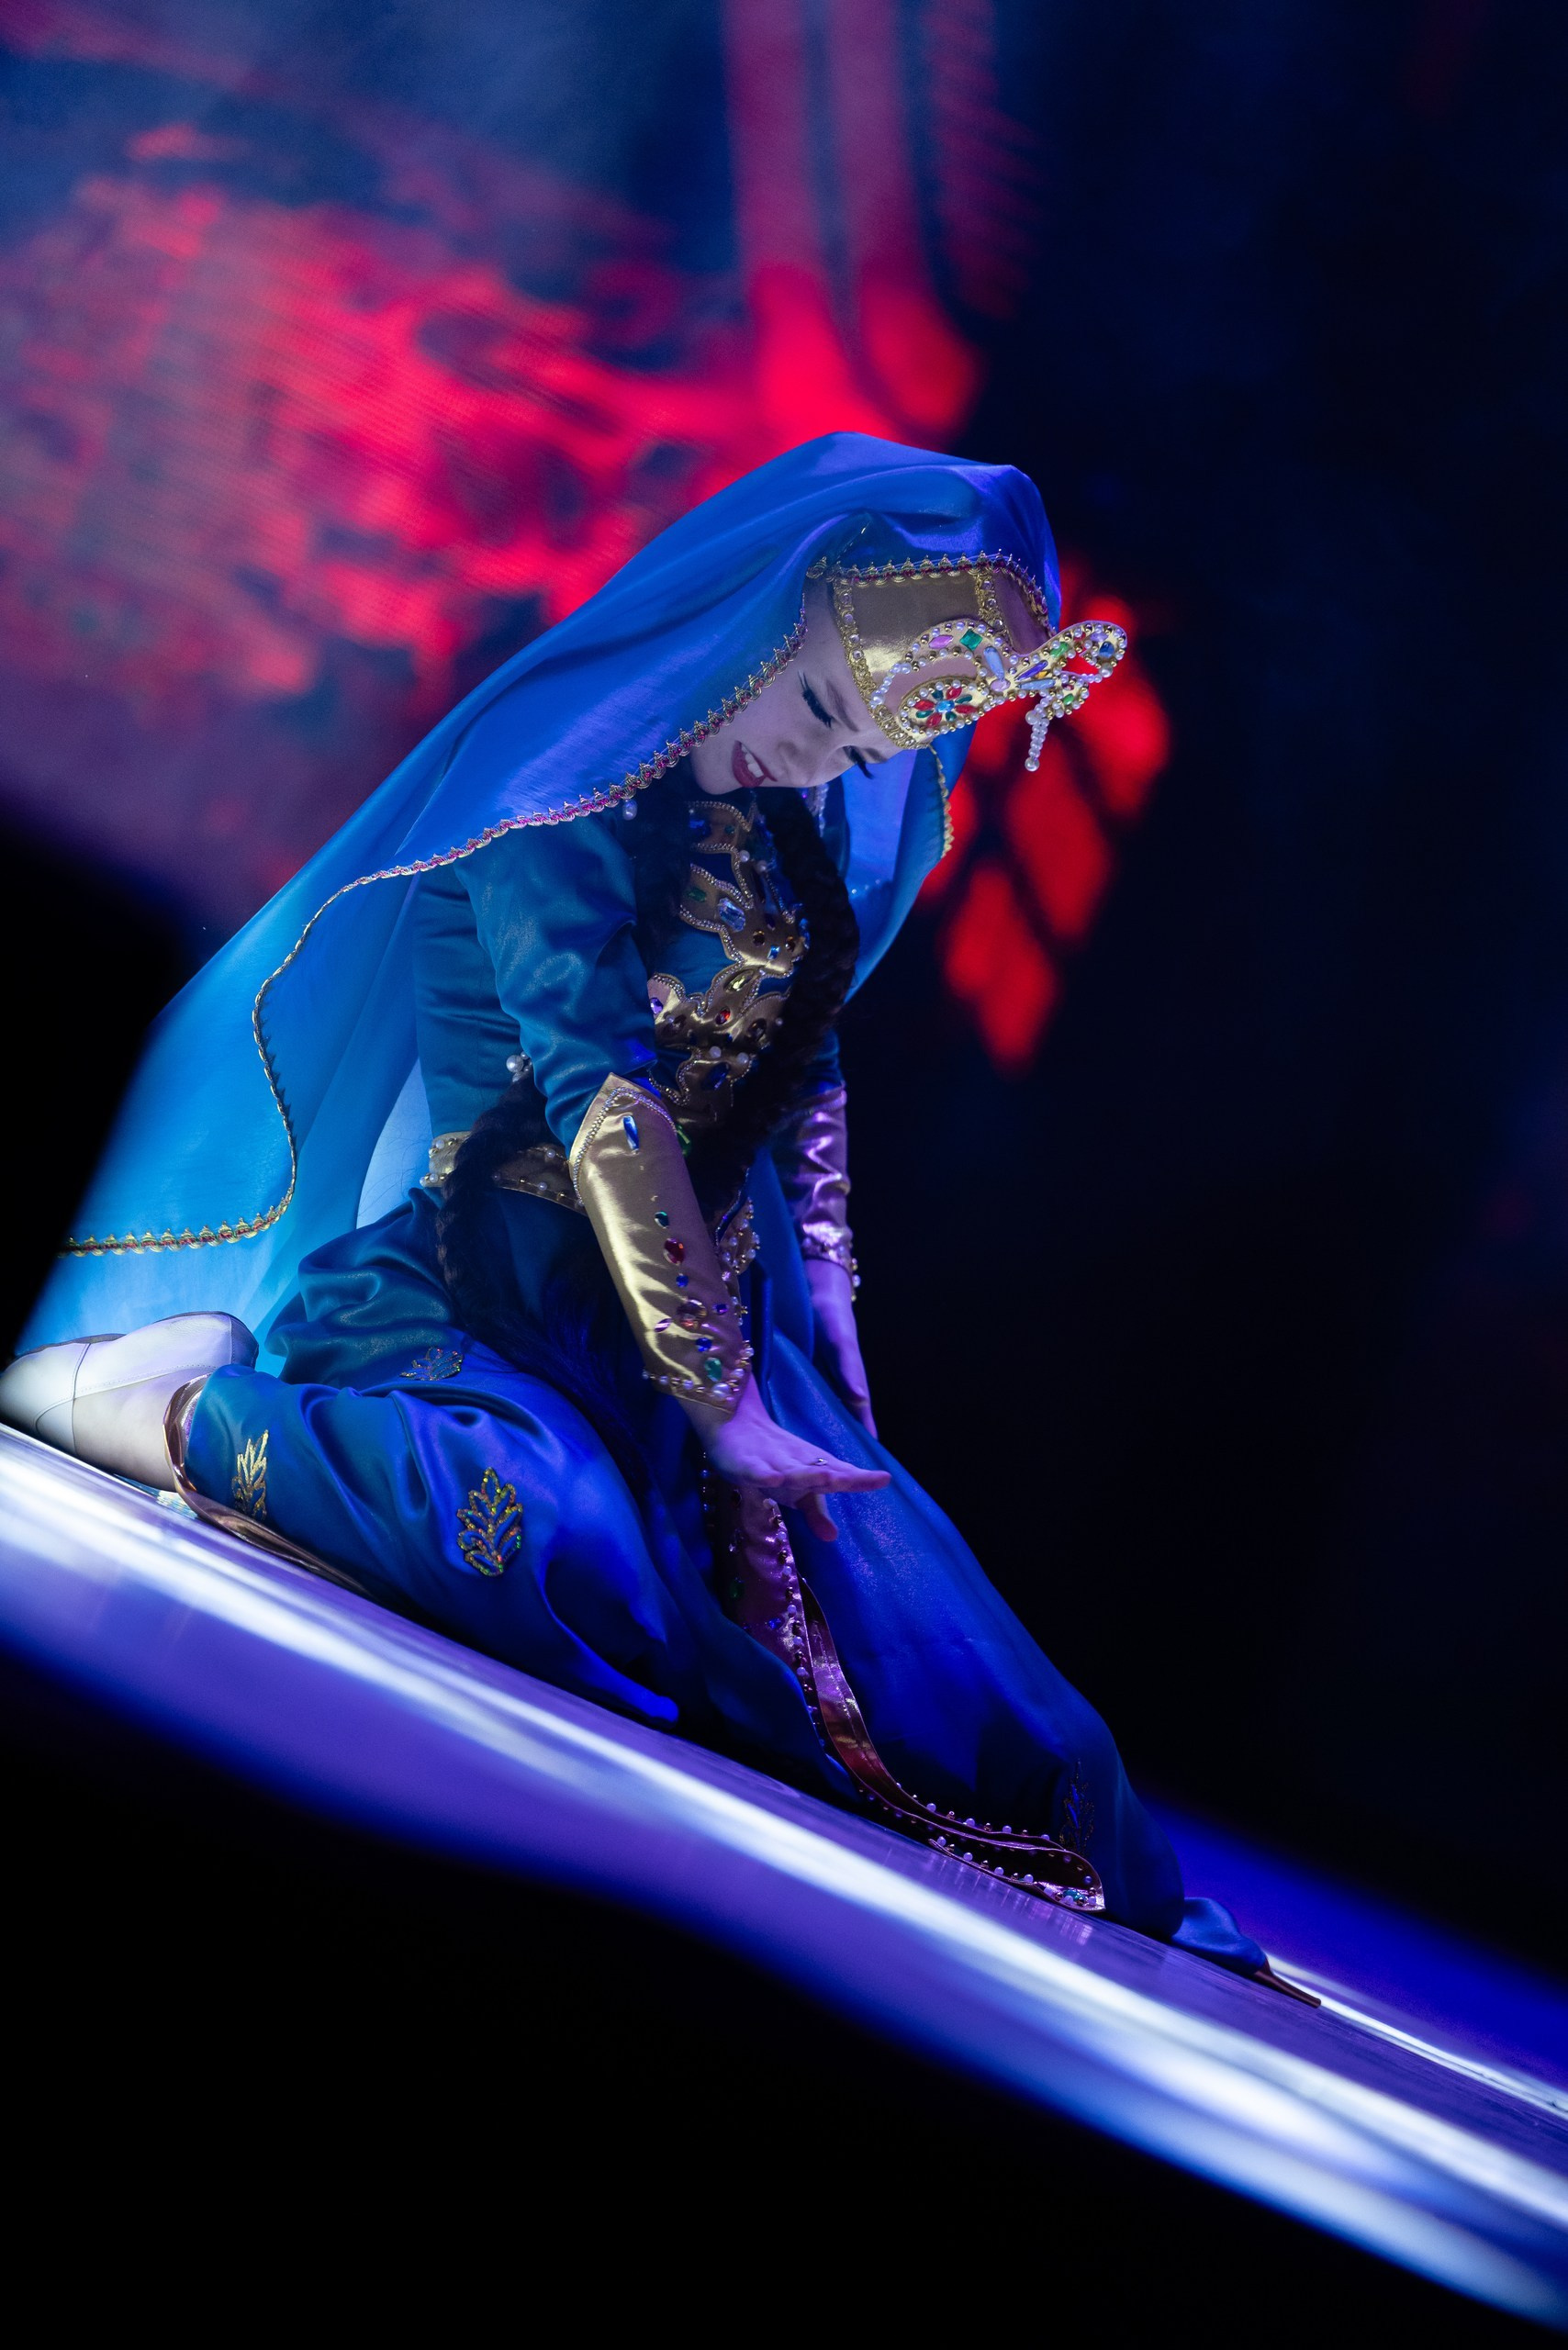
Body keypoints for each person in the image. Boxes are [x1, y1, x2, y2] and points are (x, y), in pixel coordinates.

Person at [1, 433, 1304, 1992]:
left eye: (856, 749)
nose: (818, 764)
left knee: (1024, 1750)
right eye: (815, 709)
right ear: (763, 616)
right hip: (481, 1294)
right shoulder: (555, 805)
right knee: (552, 1552)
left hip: (707, 1329)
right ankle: (165, 1408)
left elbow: (803, 1064)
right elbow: (604, 1105)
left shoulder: (783, 828)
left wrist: (826, 1323)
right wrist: (724, 1403)